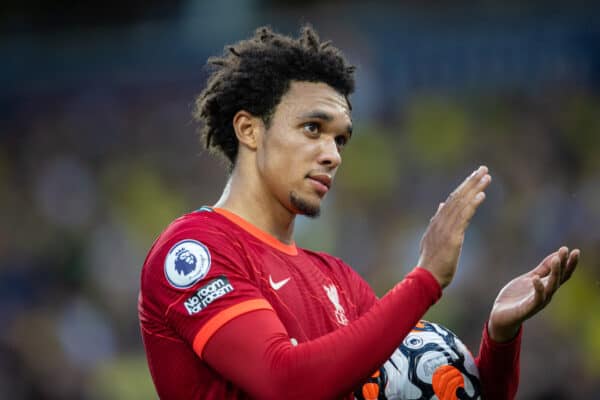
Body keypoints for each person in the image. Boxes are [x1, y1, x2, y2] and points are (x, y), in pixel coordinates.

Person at [138, 26, 580, 399]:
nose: (332, 154)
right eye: (312, 128)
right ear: (249, 129)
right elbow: (285, 383)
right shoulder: (195, 250)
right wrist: (424, 279)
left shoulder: (338, 280)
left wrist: (499, 338)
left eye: (340, 140)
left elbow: (450, 389)